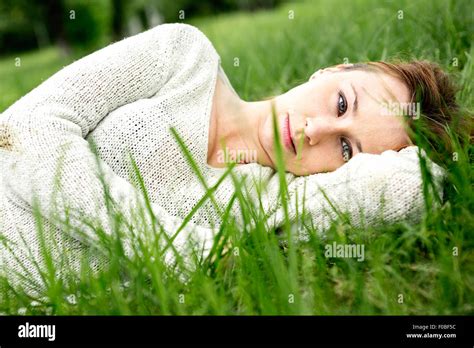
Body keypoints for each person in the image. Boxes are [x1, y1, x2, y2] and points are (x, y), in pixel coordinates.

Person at [0, 23, 455, 290]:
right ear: (331, 71)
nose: (314, 130)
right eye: (341, 104)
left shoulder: (278, 207)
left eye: (345, 149)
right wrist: (179, 254)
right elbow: (26, 129)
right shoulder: (184, 56)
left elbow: (414, 186)